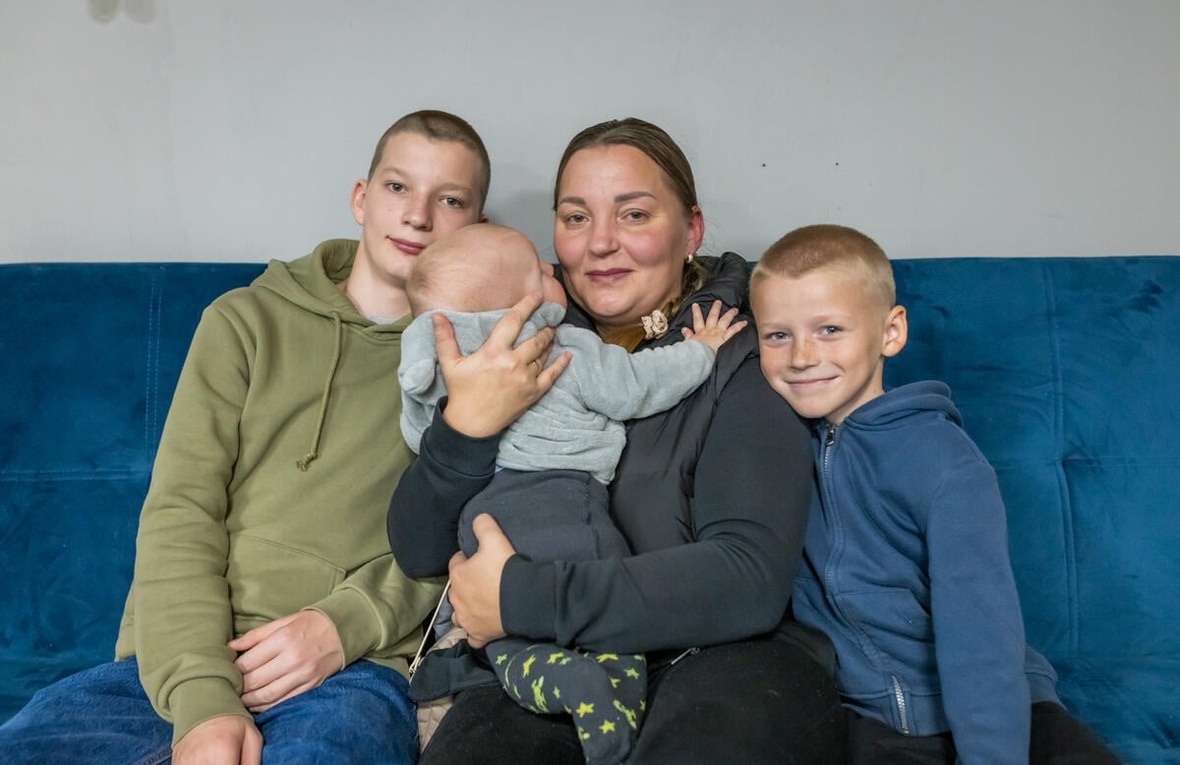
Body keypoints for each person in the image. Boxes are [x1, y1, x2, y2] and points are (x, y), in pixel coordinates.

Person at [0, 109, 501, 765]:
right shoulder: (243, 321)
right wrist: (205, 699)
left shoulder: (478, 363)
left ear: (478, 228)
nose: (417, 215)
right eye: (398, 187)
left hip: (347, 672)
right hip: (174, 664)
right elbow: (181, 513)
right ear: (361, 197)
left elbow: (465, 535)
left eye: (450, 199)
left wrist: (342, 623)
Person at [388, 118, 845, 765]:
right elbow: (418, 550)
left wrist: (520, 596)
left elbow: (747, 576)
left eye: (633, 214)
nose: (600, 243)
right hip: (544, 659)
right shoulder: (504, 344)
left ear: (690, 230)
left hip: (721, 654)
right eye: (576, 218)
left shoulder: (744, 351)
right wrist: (467, 424)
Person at [748, 223, 1124, 764]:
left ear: (890, 333)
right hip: (873, 717)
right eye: (777, 335)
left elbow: (981, 635)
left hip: (1005, 703)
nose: (802, 356)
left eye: (830, 329)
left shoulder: (945, 463)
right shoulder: (777, 447)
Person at [399, 223, 746, 765]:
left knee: (504, 635)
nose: (553, 271)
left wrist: (456, 420)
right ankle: (608, 712)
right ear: (523, 304)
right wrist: (699, 353)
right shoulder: (564, 348)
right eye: (541, 271)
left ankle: (527, 671)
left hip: (483, 525)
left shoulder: (436, 369)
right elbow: (636, 386)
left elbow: (414, 436)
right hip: (567, 512)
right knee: (614, 637)